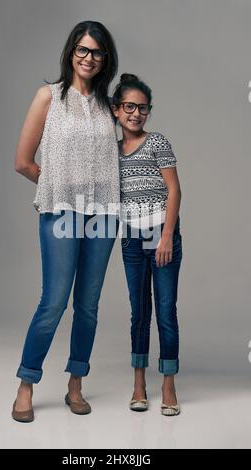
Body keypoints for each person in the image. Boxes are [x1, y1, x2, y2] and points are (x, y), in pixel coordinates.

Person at [12, 21, 120, 422]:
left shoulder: (111, 107)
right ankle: (26, 382)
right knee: (54, 301)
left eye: (97, 52)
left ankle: (76, 383)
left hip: (105, 214)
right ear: (71, 51)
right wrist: (61, 185)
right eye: (82, 50)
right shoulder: (49, 97)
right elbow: (23, 162)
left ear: (105, 58)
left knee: (88, 306)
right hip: (61, 211)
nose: (88, 58)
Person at [112, 74, 183, 416]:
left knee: (165, 312)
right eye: (130, 106)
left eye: (143, 108)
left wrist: (167, 236)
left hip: (161, 233)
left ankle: (168, 384)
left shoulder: (157, 142)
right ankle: (139, 383)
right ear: (116, 110)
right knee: (139, 312)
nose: (136, 113)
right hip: (131, 238)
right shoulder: (111, 152)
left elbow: (175, 190)